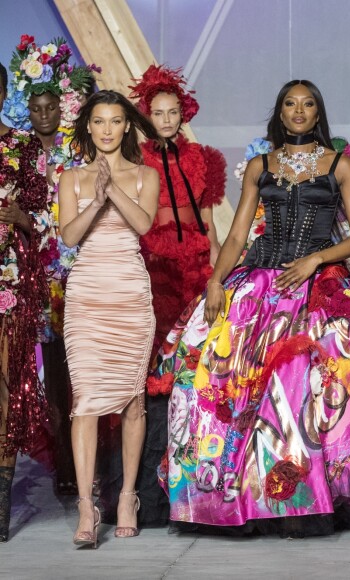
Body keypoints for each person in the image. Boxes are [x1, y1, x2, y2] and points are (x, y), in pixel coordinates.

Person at [148, 80, 350, 537]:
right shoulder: (260, 165)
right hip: (258, 284)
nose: (299, 111)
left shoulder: (340, 164)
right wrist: (215, 283)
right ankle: (241, 493)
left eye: (308, 104)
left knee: (326, 382)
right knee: (216, 376)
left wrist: (316, 258)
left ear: (318, 113)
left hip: (321, 286)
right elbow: (236, 237)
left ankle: (319, 491)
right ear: (281, 112)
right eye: (291, 104)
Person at [125, 65, 225, 526]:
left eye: (173, 112)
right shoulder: (135, 157)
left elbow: (209, 221)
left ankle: (195, 484)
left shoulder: (202, 157)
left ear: (183, 113)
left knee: (194, 366)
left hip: (196, 261)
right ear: (146, 116)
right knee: (152, 371)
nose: (166, 119)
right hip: (154, 262)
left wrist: (218, 271)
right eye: (157, 112)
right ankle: (147, 489)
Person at [59, 90, 159, 547]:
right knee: (85, 401)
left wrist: (113, 189)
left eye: (115, 121)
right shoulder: (71, 178)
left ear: (126, 127)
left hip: (130, 296)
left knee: (132, 400)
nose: (106, 130)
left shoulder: (145, 175)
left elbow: (142, 225)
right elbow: (69, 236)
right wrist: (95, 200)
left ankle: (126, 497)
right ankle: (86, 504)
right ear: (88, 127)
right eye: (98, 121)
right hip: (87, 295)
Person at [6, 34, 100, 495]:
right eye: (36, 108)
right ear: (28, 109)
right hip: (32, 276)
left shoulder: (76, 153)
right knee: (44, 371)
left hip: (73, 270)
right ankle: (61, 464)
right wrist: (26, 221)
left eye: (50, 107)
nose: (44, 114)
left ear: (59, 108)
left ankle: (81, 465)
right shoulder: (19, 151)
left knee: (76, 371)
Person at [0, 61, 50, 542]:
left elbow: (45, 217)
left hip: (8, 283)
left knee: (7, 383)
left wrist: (21, 216)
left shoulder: (20, 146)